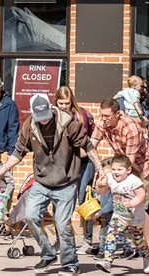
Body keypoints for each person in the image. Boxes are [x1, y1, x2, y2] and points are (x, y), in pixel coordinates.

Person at [0, 93, 104, 274]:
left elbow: (88, 146)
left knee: (61, 224)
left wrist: (100, 168)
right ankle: (48, 254)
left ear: (50, 109)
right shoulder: (30, 125)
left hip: (66, 183)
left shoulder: (68, 123)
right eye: (39, 117)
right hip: (42, 183)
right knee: (30, 215)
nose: (43, 120)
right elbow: (18, 152)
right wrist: (2, 170)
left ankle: (70, 263)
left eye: (45, 116)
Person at [91, 98, 149, 257]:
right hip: (120, 165)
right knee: (121, 206)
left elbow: (130, 162)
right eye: (102, 115)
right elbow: (90, 146)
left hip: (140, 167)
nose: (104, 119)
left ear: (117, 114)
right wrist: (99, 168)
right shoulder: (102, 124)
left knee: (141, 208)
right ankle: (131, 244)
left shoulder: (130, 127)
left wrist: (107, 170)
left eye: (107, 116)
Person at [94, 155, 149, 274]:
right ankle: (107, 261)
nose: (116, 172)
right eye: (114, 169)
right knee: (111, 235)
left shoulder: (133, 180)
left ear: (128, 170)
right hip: (119, 215)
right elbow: (102, 192)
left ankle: (148, 254)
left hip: (135, 217)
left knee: (137, 240)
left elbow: (142, 195)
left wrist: (132, 203)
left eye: (119, 169)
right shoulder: (110, 177)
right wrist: (100, 184)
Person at [54, 86, 96, 254]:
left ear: (72, 101)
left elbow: (90, 140)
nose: (64, 106)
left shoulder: (82, 116)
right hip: (62, 165)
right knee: (60, 202)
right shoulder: (52, 116)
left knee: (85, 201)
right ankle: (61, 240)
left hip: (84, 162)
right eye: (61, 103)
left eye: (67, 103)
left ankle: (87, 241)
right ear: (55, 101)